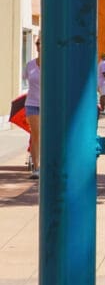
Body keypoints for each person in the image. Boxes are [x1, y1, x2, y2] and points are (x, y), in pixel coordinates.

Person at [23, 38, 41, 179]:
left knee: (49, 136)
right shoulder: (30, 65)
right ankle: (36, 167)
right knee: (36, 135)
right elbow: (25, 79)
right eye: (37, 43)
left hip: (50, 106)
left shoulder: (53, 65)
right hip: (33, 104)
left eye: (42, 43)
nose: (39, 46)